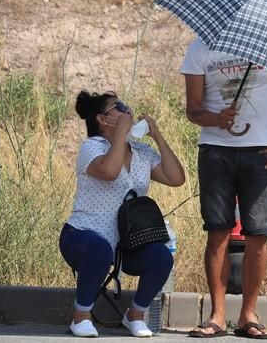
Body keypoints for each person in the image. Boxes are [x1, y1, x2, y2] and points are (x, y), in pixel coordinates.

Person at [181, 38, 267, 339]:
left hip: (260, 154)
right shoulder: (199, 48)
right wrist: (215, 118)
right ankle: (216, 316)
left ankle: (248, 316)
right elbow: (192, 110)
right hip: (215, 151)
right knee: (218, 231)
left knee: (258, 233)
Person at [59, 90, 185, 338]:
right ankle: (80, 316)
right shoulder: (91, 147)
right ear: (102, 119)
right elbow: (109, 171)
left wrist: (157, 136)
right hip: (82, 236)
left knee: (161, 256)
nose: (128, 111)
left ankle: (135, 315)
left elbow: (176, 178)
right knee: (100, 249)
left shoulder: (141, 152)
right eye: (119, 107)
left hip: (127, 242)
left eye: (127, 106)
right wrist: (119, 136)